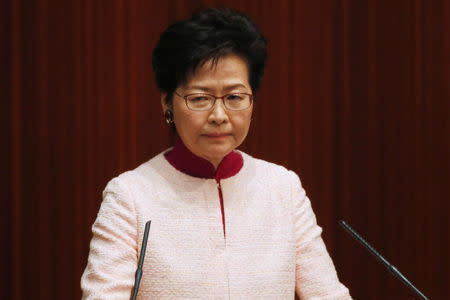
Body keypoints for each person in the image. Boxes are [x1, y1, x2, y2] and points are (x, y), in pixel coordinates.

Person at [81, 8, 352, 299]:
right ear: (167, 104)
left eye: (234, 97)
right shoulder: (130, 197)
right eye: (200, 98)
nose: (219, 115)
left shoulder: (282, 188)